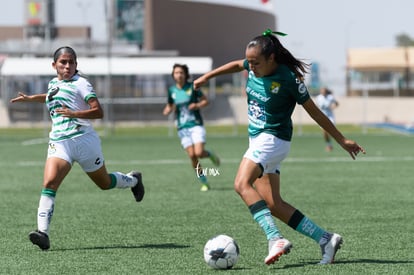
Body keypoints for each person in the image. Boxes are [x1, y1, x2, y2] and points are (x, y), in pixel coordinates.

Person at [193, 29, 365, 265]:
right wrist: (206, 77)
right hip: (259, 141)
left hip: (273, 140)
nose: (250, 67)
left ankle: (275, 238)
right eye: (249, 62)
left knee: (241, 184)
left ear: (271, 58)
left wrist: (342, 140)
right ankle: (326, 239)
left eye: (255, 63)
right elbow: (236, 64)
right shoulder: (252, 65)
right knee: (273, 204)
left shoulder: (288, 79)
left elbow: (315, 112)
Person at [10, 46, 145, 251]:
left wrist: (75, 114)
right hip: (60, 142)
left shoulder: (81, 83)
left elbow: (98, 111)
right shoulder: (54, 82)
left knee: (104, 182)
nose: (67, 66)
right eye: (63, 62)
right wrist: (32, 99)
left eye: (71, 62)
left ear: (76, 65)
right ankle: (42, 233)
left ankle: (133, 180)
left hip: (84, 141)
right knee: (49, 182)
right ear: (54, 65)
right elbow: (51, 95)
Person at [162, 64, 220, 191]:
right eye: (176, 73)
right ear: (173, 75)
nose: (179, 75)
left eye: (181, 72)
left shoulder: (193, 87)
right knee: (192, 156)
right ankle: (204, 182)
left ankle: (210, 155)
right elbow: (170, 105)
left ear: (185, 74)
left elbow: (206, 101)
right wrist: (167, 110)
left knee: (199, 152)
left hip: (196, 125)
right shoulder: (172, 90)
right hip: (182, 128)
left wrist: (197, 105)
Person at [316, 87, 339, 152]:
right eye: (321, 91)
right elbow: (317, 106)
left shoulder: (330, 97)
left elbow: (337, 103)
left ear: (326, 91)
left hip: (330, 116)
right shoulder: (319, 98)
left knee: (332, 131)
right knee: (324, 132)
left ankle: (340, 142)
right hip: (322, 117)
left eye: (324, 91)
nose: (322, 92)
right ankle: (329, 145)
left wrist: (333, 107)